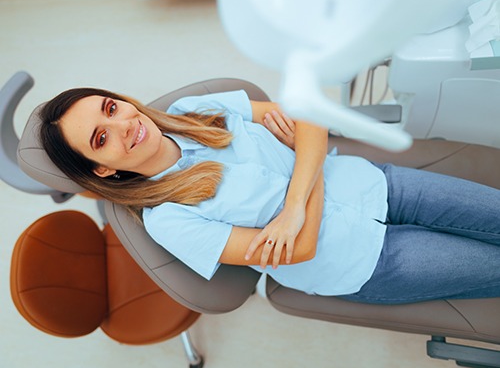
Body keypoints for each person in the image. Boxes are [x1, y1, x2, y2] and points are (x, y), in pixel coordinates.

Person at [39, 87, 500, 304]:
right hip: (368, 261)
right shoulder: (169, 220)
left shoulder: (193, 111)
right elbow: (301, 248)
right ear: (103, 169)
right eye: (101, 139)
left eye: (111, 108)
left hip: (377, 183)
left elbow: (311, 116)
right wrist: (306, 156)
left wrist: (295, 200)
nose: (125, 126)